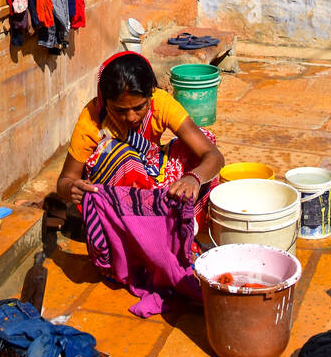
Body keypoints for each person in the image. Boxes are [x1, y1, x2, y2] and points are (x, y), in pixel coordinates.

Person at [56, 51, 224, 229]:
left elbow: (213, 156)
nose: (131, 117)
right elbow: (65, 180)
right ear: (105, 102)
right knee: (122, 156)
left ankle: (184, 226)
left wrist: (194, 178)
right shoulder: (91, 120)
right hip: (118, 196)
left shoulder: (160, 103)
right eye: (120, 110)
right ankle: (138, 231)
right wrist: (72, 188)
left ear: (150, 96)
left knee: (204, 139)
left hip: (153, 176)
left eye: (139, 107)